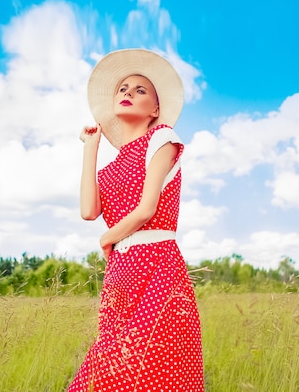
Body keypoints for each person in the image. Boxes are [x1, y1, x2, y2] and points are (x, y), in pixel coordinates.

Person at [67, 48, 204, 392]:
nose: (128, 92)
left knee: (151, 366)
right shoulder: (112, 167)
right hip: (120, 273)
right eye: (123, 88)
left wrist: (106, 238)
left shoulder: (162, 138)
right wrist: (90, 146)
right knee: (108, 364)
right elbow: (88, 211)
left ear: (155, 109)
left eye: (139, 90)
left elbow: (147, 208)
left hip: (156, 262)